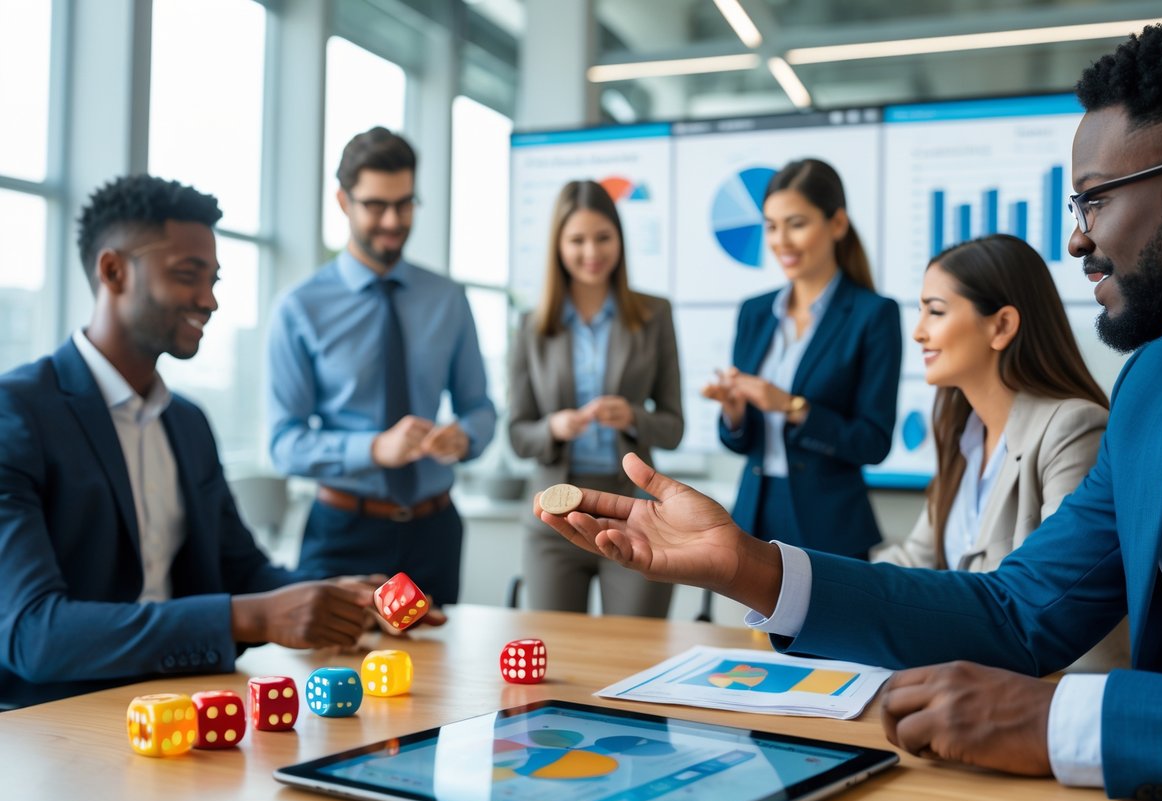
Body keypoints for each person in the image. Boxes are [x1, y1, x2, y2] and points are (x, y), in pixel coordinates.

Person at [536, 14, 1162, 801]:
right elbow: (1016, 609)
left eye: (1095, 201)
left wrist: (1063, 719)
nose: (1076, 240)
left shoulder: (1074, 408)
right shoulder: (1156, 392)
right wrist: (747, 564)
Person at [0, 175, 381, 709]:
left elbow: (242, 570)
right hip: (55, 722)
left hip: (183, 706)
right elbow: (32, 634)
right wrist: (250, 616)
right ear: (113, 271)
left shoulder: (187, 422)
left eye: (214, 280)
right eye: (187, 276)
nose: (209, 300)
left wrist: (339, 596)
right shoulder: (16, 412)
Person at [871, 234, 1126, 670]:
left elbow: (1051, 600)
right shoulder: (964, 437)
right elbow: (911, 563)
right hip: (973, 684)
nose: (918, 332)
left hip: (1053, 694)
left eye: (935, 311)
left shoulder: (1072, 428)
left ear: (1002, 326)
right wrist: (809, 592)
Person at [268, 127, 496, 610]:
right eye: (375, 205)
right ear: (343, 201)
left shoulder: (448, 299)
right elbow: (283, 442)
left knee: (441, 681)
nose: (393, 221)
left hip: (435, 531)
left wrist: (465, 436)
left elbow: (479, 407)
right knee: (332, 681)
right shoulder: (299, 308)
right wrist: (375, 448)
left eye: (405, 203)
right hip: (343, 535)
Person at [702, 159, 900, 557]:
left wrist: (791, 406)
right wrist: (734, 414)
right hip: (755, 515)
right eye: (772, 226)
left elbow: (873, 443)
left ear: (837, 224)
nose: (781, 241)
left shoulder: (873, 314)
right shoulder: (755, 313)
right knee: (757, 624)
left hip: (828, 523)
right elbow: (739, 443)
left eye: (796, 223)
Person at [508, 180, 683, 616]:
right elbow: (517, 434)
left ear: (620, 240)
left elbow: (673, 427)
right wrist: (554, 426)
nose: (592, 252)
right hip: (554, 518)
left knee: (636, 656)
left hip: (635, 513)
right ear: (558, 246)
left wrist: (632, 417)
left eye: (603, 237)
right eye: (577, 240)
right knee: (561, 657)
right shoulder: (532, 326)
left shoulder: (654, 314)